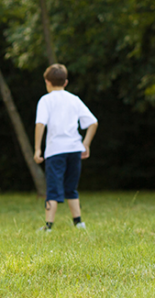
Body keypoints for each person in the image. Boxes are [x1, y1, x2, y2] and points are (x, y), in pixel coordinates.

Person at [34, 63, 98, 232]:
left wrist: (37, 149)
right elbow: (93, 122)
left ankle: (48, 226)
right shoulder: (74, 99)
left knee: (53, 188)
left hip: (55, 150)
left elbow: (40, 124)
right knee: (71, 187)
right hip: (74, 148)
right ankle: (78, 223)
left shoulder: (45, 100)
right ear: (66, 82)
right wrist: (86, 144)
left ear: (47, 81)